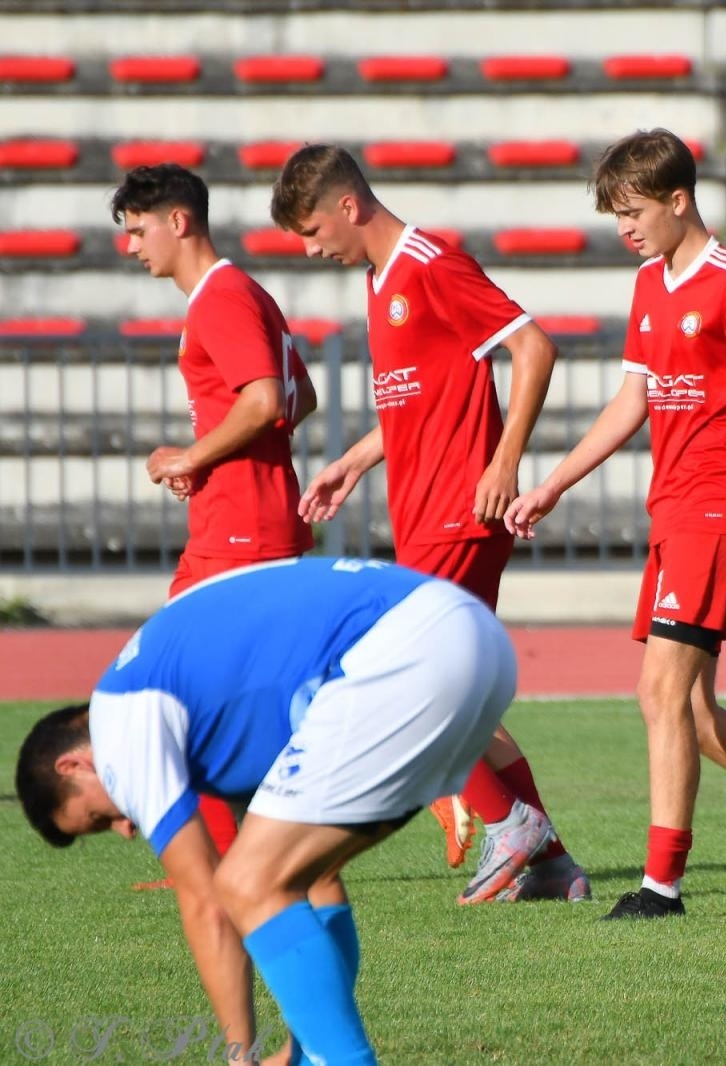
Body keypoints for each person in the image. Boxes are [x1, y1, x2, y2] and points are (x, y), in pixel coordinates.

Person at [15, 557, 529, 1065]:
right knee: (303, 873)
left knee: (245, 883)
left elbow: (208, 904)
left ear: (73, 765)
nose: (125, 829)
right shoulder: (205, 715)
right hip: (475, 638)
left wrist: (239, 1057)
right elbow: (315, 883)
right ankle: (311, 1055)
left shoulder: (119, 718)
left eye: (101, 818)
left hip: (402, 648)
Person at [503, 128, 726, 919]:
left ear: (679, 201)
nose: (625, 228)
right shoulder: (651, 283)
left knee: (659, 693)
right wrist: (552, 484)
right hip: (673, 510)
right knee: (699, 717)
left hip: (718, 508)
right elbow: (632, 401)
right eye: (616, 215)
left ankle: (661, 887)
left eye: (634, 212)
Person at [270, 144, 584, 905]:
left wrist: (504, 460)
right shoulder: (381, 280)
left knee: (403, 681)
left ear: (349, 206)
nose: (311, 250)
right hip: (424, 519)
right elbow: (420, 401)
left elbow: (534, 346)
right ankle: (551, 863)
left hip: (459, 514)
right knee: (454, 693)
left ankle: (510, 823)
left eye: (312, 231)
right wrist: (354, 461)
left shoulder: (432, 264)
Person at [113, 162, 318, 887]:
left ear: (179, 221)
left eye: (138, 230)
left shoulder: (221, 299)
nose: (131, 246)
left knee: (197, 688)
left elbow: (265, 401)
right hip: (234, 517)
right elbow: (301, 396)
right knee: (195, 686)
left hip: (243, 526)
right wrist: (209, 458)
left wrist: (192, 455)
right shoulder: (240, 292)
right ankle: (220, 861)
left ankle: (427, 780)